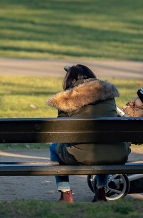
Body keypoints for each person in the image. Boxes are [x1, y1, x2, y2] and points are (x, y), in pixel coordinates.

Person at [47, 64, 130, 203]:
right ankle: (101, 191)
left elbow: (60, 132)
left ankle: (65, 193)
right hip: (117, 153)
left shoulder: (66, 99)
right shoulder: (107, 93)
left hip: (79, 156)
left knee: (53, 147)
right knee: (104, 144)